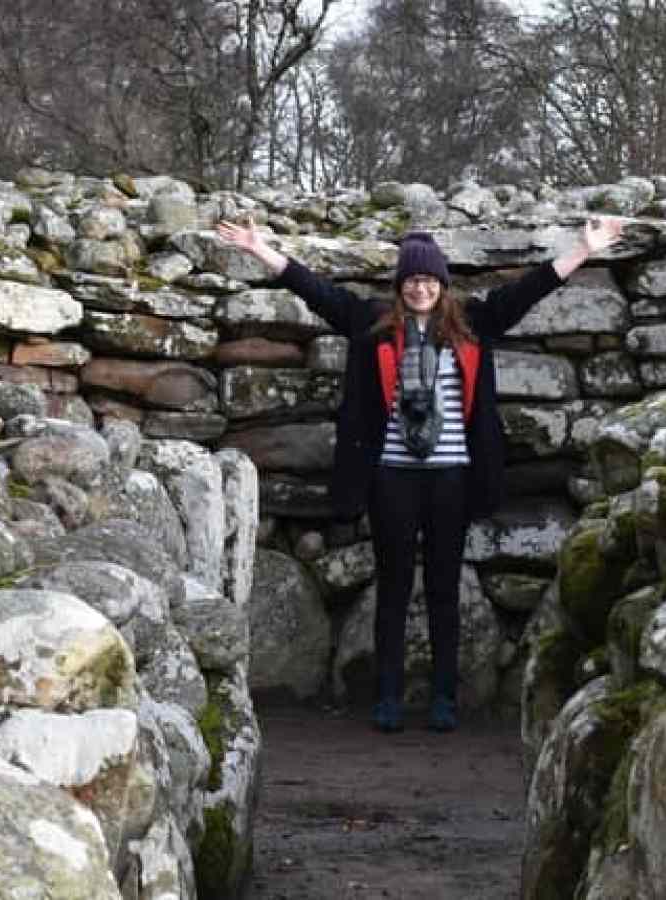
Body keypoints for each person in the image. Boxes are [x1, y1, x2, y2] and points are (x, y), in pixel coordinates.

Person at [217, 214, 623, 733]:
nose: (421, 287)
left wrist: (582, 250)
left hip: (451, 475)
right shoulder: (373, 324)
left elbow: (529, 290)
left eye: (429, 280)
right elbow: (316, 291)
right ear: (400, 286)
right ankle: (387, 697)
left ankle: (444, 699)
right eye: (412, 280)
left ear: (443, 285)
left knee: (442, 588)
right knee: (392, 585)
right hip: (392, 475)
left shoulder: (472, 324)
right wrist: (259, 249)